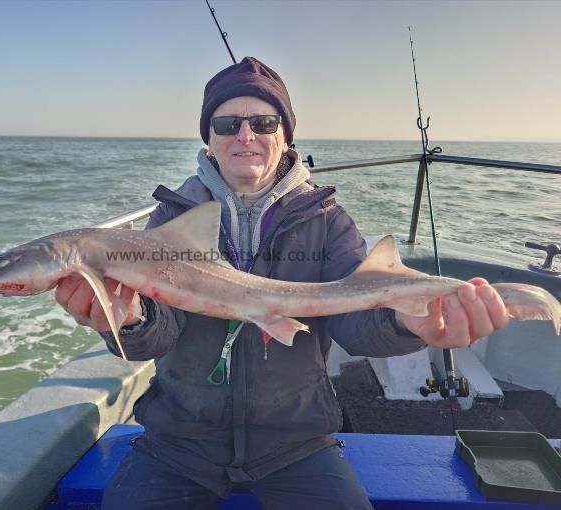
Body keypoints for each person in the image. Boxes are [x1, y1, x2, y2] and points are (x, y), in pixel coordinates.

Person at [55, 57, 509, 509]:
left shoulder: (326, 221)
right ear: (209, 139)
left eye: (264, 121)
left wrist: (413, 326)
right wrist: (129, 320)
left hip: (297, 442)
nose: (245, 135)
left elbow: (357, 323)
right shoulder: (173, 220)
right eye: (228, 122)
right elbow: (159, 333)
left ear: (285, 135)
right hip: (180, 440)